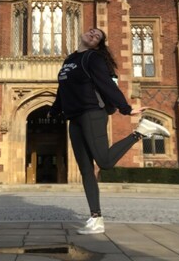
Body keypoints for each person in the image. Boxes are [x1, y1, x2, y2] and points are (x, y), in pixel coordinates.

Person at [48, 28, 170, 235]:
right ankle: (96, 219)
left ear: (98, 45)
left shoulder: (93, 58)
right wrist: (54, 109)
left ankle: (140, 132)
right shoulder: (69, 59)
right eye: (92, 32)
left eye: (98, 37)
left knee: (103, 162)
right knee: (86, 171)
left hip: (91, 113)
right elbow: (63, 88)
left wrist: (126, 108)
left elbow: (106, 85)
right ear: (83, 34)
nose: (93, 35)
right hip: (74, 118)